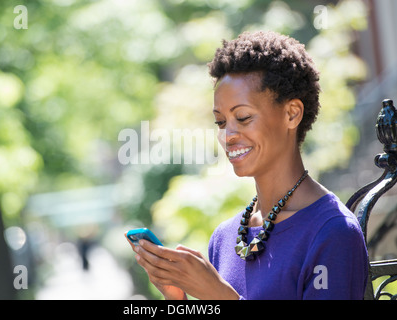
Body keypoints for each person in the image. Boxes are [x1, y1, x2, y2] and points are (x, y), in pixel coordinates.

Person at [125, 30, 369, 300]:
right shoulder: (224, 238)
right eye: (220, 122)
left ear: (292, 113)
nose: (227, 135)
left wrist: (219, 296)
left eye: (242, 117)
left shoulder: (332, 231)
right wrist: (178, 298)